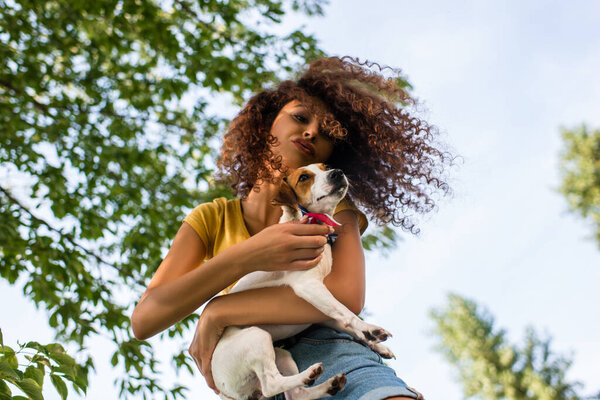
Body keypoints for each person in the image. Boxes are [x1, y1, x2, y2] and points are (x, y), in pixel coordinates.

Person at [131, 56, 453, 400]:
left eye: (327, 133)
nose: (312, 131)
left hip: (328, 346)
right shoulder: (212, 219)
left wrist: (218, 311)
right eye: (300, 118)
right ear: (266, 124)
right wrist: (246, 256)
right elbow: (145, 319)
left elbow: (347, 295)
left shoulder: (334, 208)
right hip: (250, 372)